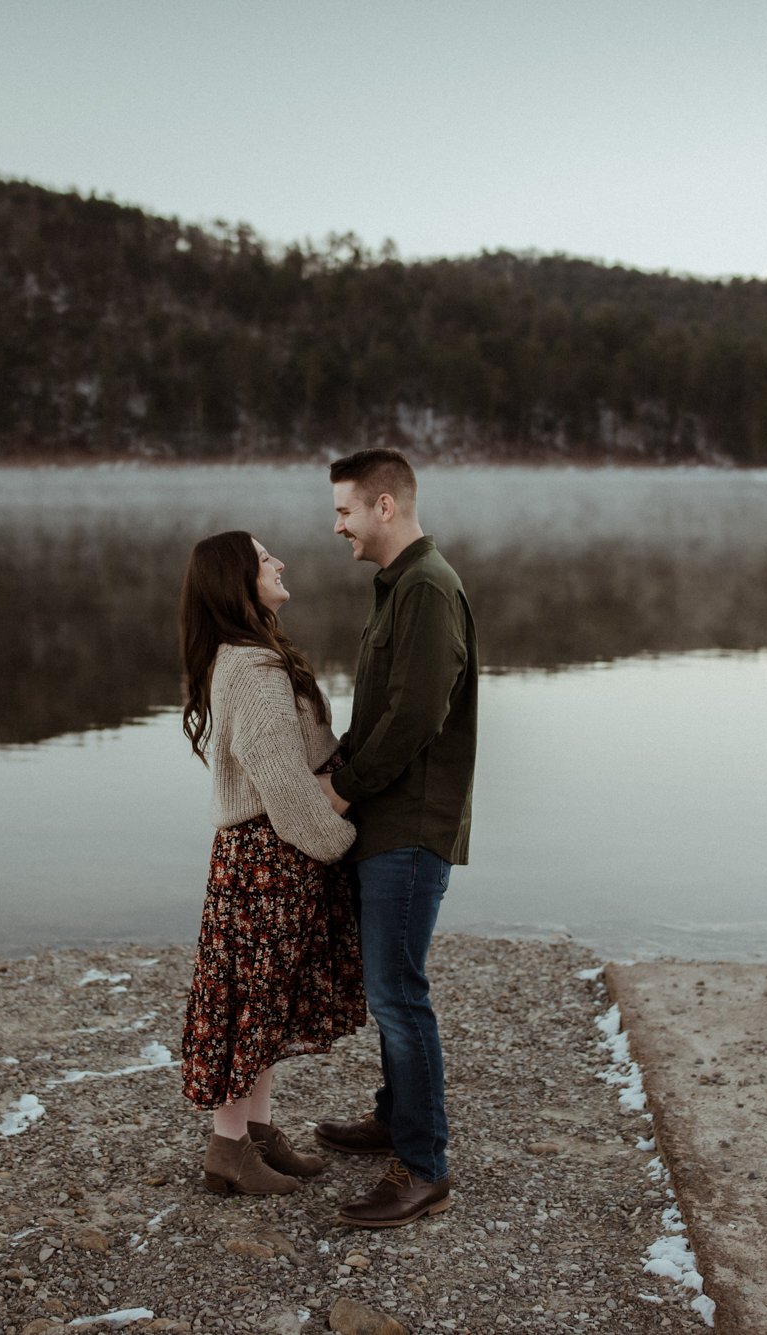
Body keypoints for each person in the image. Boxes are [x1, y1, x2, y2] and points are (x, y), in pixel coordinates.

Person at [313, 448, 479, 1229]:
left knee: (399, 994)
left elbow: (416, 718)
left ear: (384, 505)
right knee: (391, 992)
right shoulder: (400, 589)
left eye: (345, 509)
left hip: (409, 828)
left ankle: (423, 1167)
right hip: (388, 823)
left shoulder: (427, 588)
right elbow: (382, 712)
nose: (337, 524)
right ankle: (393, 1115)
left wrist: (342, 786)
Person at [175, 530, 367, 1196]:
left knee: (263, 1004)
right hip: (265, 858)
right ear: (238, 581)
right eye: (264, 559)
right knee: (248, 1005)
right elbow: (286, 785)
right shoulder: (254, 673)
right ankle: (228, 1147)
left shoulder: (251, 655)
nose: (280, 562)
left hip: (263, 858)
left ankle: (257, 1132)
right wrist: (344, 843)